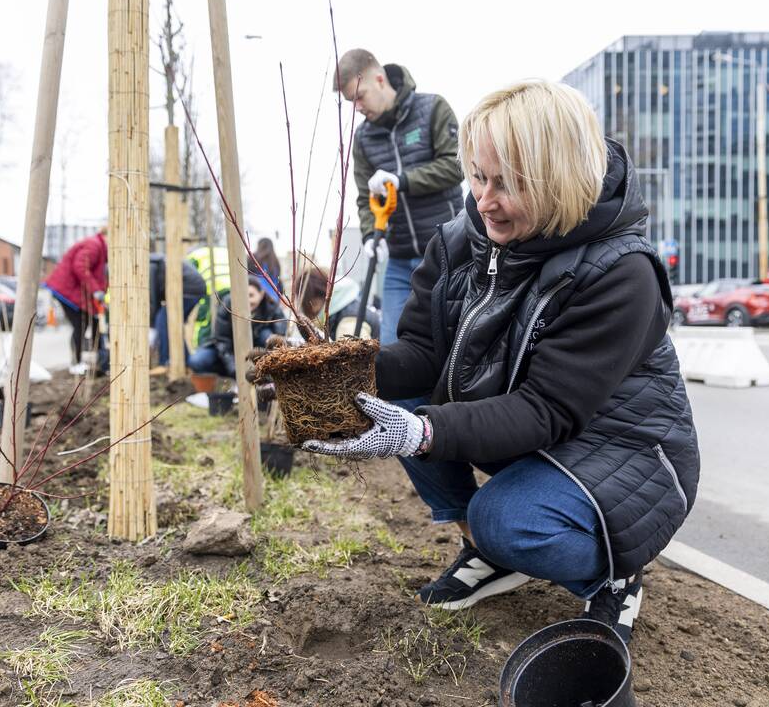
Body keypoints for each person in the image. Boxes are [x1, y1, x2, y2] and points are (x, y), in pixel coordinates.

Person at [302, 81, 700, 644]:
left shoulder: (622, 273)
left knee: (505, 519)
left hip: (623, 450)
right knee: (394, 406)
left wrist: (418, 433)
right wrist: (336, 372)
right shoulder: (463, 241)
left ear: (559, 177)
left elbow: (546, 409)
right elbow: (420, 355)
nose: (484, 200)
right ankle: (488, 554)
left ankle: (613, 576)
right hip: (533, 427)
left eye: (507, 184)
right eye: (478, 177)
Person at [335, 49, 463, 345]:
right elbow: (366, 195)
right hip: (400, 261)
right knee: (395, 348)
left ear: (379, 79)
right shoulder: (363, 139)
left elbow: (455, 166)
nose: (357, 107)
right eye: (350, 101)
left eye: (360, 96)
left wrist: (402, 181)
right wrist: (369, 234)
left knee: (448, 343)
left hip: (448, 252)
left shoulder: (432, 109)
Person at [188, 277, 286, 378]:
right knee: (197, 361)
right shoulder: (227, 305)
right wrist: (233, 368)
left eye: (251, 295)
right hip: (230, 350)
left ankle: (265, 374)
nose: (247, 301)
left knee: (267, 336)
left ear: (261, 294)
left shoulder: (271, 307)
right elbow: (222, 340)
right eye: (243, 296)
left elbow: (280, 336)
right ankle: (228, 378)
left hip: (257, 350)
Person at [43, 228, 108, 375]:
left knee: (93, 323)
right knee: (79, 326)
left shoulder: (100, 249)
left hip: (75, 292)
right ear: (106, 235)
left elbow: (97, 275)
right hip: (66, 290)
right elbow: (80, 267)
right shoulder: (94, 245)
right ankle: (76, 364)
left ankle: (102, 362)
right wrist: (96, 290)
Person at [149, 253, 208, 367]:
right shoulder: (155, 262)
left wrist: (152, 326)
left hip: (189, 288)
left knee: (164, 320)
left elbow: (153, 298)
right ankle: (186, 361)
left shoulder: (150, 266)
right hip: (194, 287)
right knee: (173, 324)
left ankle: (166, 362)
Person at [294, 266, 381, 340]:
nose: (311, 312)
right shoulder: (344, 308)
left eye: (312, 305)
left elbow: (356, 358)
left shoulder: (348, 324)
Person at [248, 237, 283, 302]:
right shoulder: (275, 262)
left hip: (258, 298)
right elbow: (279, 282)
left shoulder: (253, 259)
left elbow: (248, 278)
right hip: (274, 299)